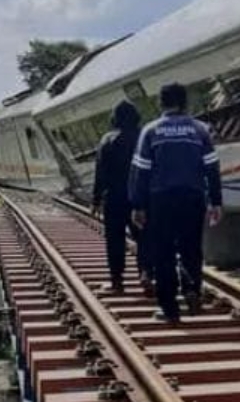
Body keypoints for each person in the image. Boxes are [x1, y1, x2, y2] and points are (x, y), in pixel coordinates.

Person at [129, 83, 222, 323]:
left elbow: (141, 171)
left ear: (161, 103)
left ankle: (169, 309)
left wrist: (138, 205)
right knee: (191, 247)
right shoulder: (200, 131)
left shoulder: (150, 131)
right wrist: (216, 201)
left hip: (160, 200)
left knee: (164, 253)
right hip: (193, 198)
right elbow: (211, 167)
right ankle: (192, 290)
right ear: (185, 103)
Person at [92, 100, 144, 293]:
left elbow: (100, 173)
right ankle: (146, 275)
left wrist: (96, 199)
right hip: (138, 197)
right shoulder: (143, 138)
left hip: (114, 198)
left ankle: (117, 282)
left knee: (115, 240)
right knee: (144, 238)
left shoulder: (107, 140)